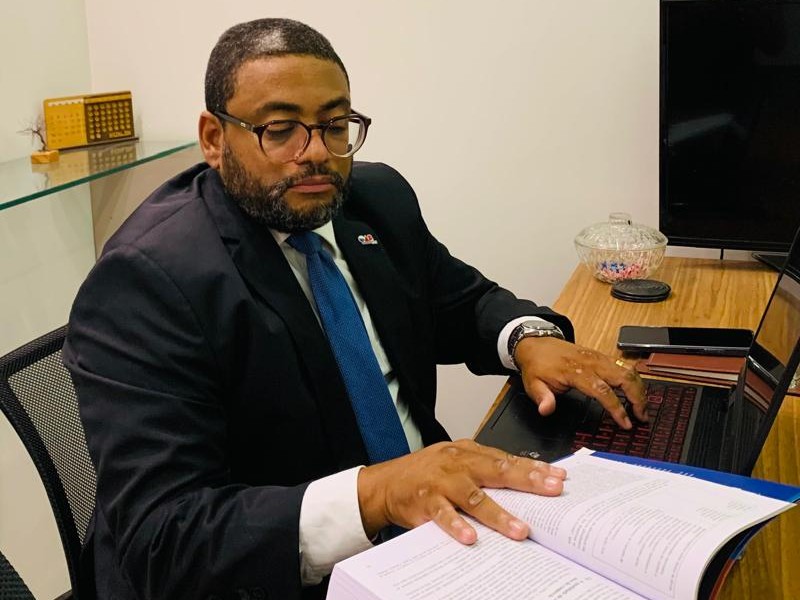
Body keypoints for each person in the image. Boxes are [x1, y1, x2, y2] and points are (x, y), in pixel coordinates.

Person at [63, 18, 646, 600]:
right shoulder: (147, 281)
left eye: (335, 125)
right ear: (214, 138)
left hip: (437, 538)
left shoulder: (375, 200)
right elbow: (163, 539)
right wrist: (380, 492)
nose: (316, 153)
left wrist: (529, 339)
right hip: (274, 575)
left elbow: (463, 303)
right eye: (280, 130)